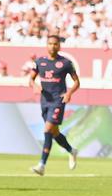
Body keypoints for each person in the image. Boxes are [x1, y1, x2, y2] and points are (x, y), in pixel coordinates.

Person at [29, 35, 80, 175]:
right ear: (47, 45)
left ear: (59, 46)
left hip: (58, 100)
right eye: (50, 43)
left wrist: (69, 93)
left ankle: (42, 165)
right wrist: (34, 85)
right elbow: (31, 79)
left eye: (55, 44)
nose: (52, 46)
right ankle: (71, 150)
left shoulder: (65, 63)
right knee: (54, 132)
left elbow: (77, 82)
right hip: (45, 101)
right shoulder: (40, 62)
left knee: (47, 130)